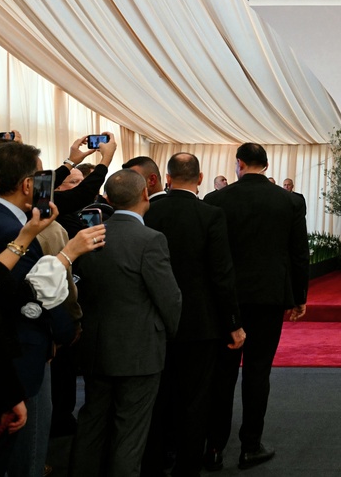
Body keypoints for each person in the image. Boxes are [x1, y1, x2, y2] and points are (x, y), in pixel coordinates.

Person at [0, 156, 103, 475]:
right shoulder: (7, 226)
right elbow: (20, 293)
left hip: (11, 350)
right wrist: (67, 255)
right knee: (26, 451)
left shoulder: (14, 224)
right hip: (17, 351)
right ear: (27, 184)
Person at [202, 143, 309, 471]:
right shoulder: (290, 201)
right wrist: (299, 297)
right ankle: (250, 446)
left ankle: (214, 448)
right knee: (258, 371)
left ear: (239, 164)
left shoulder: (216, 200)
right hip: (269, 297)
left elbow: (209, 256)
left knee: (222, 373)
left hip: (226, 300)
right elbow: (299, 253)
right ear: (266, 165)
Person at [69, 169, 182, 477]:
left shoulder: (90, 235)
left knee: (91, 424)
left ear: (108, 198)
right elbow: (169, 298)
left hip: (96, 346)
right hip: (139, 351)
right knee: (129, 433)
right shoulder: (150, 239)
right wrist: (169, 333)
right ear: (145, 194)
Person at [143, 153, 245, 477]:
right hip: (200, 322)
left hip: (155, 320)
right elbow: (222, 274)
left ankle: (155, 462)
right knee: (195, 400)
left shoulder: (149, 212)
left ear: (167, 178)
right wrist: (233, 324)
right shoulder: (210, 215)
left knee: (158, 397)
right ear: (200, 179)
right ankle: (187, 468)